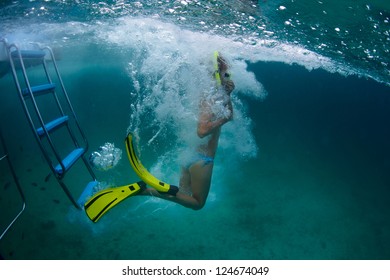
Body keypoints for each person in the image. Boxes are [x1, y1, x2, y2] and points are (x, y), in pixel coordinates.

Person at [139, 53, 235, 210]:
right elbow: (202, 131)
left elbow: (227, 115)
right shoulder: (211, 97)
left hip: (189, 156)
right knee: (197, 204)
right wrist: (225, 118)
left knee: (183, 194)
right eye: (226, 73)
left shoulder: (209, 93)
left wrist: (228, 96)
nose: (229, 76)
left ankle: (149, 191)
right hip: (203, 160)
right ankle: (147, 191)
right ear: (218, 73)